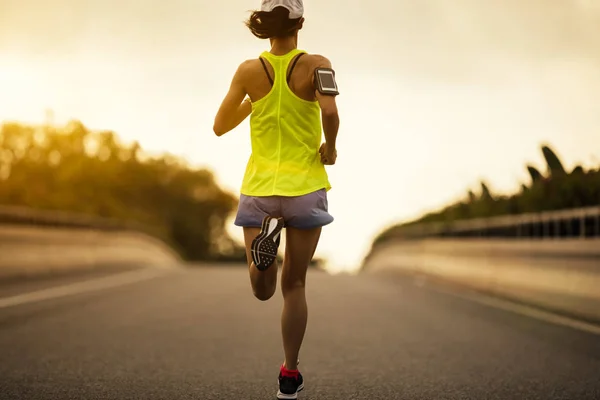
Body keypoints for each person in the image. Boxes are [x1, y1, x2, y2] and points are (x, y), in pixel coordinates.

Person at [213, 0, 340, 398]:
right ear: (301, 21)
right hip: (304, 188)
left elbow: (219, 126)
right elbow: (331, 112)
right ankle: (289, 373)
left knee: (262, 289)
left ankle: (260, 256)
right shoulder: (317, 63)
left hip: (260, 189)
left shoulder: (249, 71)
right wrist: (330, 147)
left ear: (264, 24)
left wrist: (256, 101)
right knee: (295, 285)